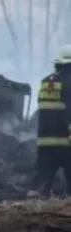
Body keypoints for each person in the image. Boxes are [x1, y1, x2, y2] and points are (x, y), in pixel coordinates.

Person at [34, 45, 71, 198]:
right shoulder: (69, 82)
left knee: (43, 185)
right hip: (66, 142)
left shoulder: (45, 82)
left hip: (44, 143)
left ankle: (36, 215)